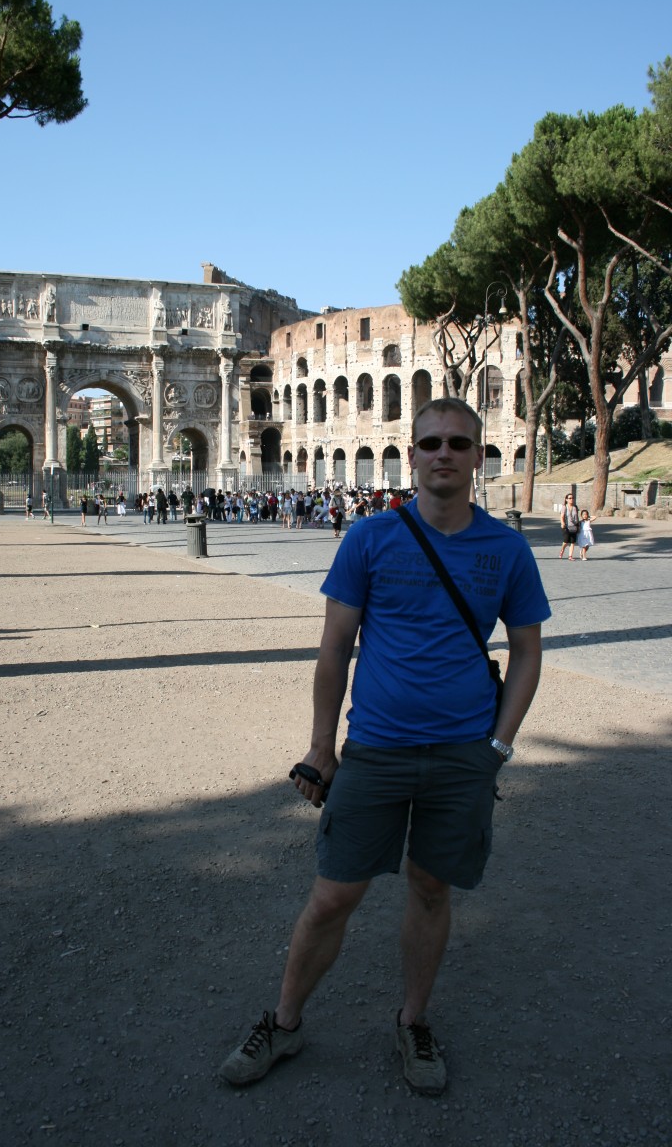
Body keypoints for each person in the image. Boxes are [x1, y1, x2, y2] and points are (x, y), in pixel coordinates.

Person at [219, 397, 551, 1094]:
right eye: (430, 442)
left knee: (431, 890)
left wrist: (499, 746)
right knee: (333, 894)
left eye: (458, 443)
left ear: (478, 455)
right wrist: (322, 746)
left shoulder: (507, 549)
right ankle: (284, 1021)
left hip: (463, 753)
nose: (443, 454)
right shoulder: (370, 538)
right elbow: (335, 646)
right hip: (375, 748)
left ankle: (413, 1020)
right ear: (411, 453)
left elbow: (527, 650)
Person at [559, 494, 579, 560]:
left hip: (574, 526)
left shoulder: (575, 507)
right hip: (566, 526)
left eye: (572, 498)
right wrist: (562, 523)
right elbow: (562, 516)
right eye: (570, 498)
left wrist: (578, 525)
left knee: (572, 542)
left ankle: (570, 556)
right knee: (566, 541)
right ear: (566, 499)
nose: (571, 499)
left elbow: (577, 517)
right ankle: (562, 550)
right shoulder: (564, 507)